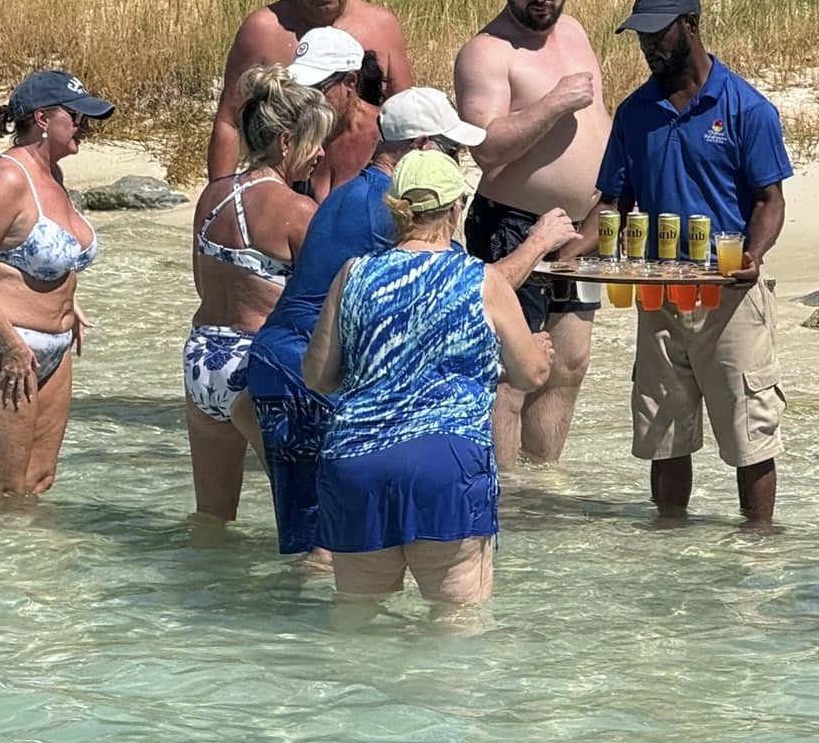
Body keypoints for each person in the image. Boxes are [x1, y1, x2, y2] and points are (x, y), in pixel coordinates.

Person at [244, 87, 575, 559]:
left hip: (278, 365)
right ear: (422, 146)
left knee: (316, 544)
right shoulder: (387, 208)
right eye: (452, 149)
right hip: (307, 374)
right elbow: (469, 287)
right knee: (326, 551)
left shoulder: (351, 192)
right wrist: (538, 242)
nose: (458, 161)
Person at [302, 150, 554, 608]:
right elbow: (531, 373)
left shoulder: (352, 274)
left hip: (358, 460)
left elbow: (318, 376)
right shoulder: (482, 280)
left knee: (356, 619)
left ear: (395, 208)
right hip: (446, 460)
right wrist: (536, 352)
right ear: (457, 209)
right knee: (456, 619)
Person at [592, 0, 791, 522]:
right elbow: (612, 205)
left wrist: (754, 254)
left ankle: (758, 548)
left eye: (658, 33)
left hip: (730, 297)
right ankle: (670, 549)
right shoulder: (633, 114)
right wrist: (563, 251)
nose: (648, 45)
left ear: (691, 25)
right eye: (641, 35)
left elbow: (770, 200)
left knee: (750, 439)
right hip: (658, 295)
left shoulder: (747, 108)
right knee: (664, 437)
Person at [454, 0, 608, 467]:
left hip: (583, 228)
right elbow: (485, 148)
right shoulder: (486, 52)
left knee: (568, 365)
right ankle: (504, 493)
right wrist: (553, 103)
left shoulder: (577, 32)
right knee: (510, 372)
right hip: (513, 226)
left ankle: (542, 488)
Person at [0, 69, 111, 498]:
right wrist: (13, 346)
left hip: (54, 349)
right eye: (77, 118)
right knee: (3, 493)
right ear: (42, 119)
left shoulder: (52, 175)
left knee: (38, 482)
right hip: (3, 349)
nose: (85, 128)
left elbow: (42, 255)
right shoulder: (8, 178)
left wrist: (67, 300)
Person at [182, 65, 333, 527]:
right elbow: (324, 308)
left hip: (202, 357)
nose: (321, 153)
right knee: (308, 519)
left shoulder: (212, 197)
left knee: (211, 518)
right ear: (286, 142)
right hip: (258, 367)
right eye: (315, 141)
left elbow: (202, 283)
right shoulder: (298, 211)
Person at [208, 0, 413, 182]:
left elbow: (406, 115)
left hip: (363, 177)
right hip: (287, 178)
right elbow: (229, 122)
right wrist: (219, 194)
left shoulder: (381, 26)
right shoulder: (262, 30)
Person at [285, 24, 387, 201]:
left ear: (350, 82)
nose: (305, 99)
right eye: (298, 89)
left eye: (316, 89)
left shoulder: (387, 135)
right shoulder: (291, 134)